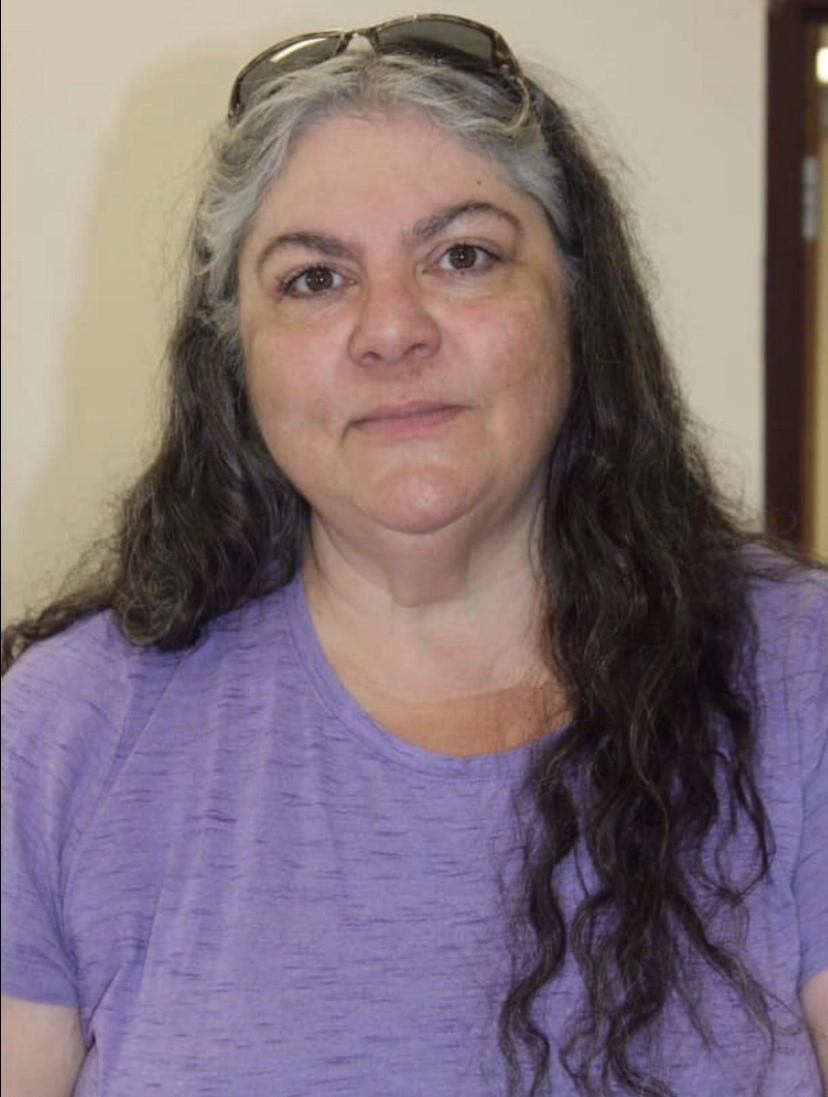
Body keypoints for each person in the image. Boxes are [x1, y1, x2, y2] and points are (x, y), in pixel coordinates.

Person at [1, 14, 826, 1097]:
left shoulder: (799, 676)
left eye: (465, 255)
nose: (392, 329)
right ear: (232, 355)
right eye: (313, 278)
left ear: (578, 307)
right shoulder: (66, 733)